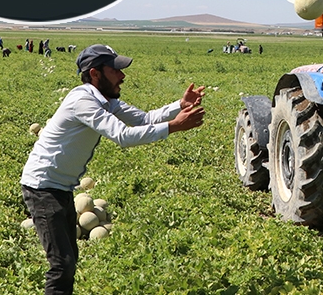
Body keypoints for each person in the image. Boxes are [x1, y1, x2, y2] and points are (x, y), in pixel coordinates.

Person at [20, 44, 206, 295]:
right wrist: (173, 127)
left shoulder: (105, 100)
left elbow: (144, 119)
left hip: (60, 186)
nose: (122, 76)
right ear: (95, 74)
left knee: (69, 258)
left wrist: (179, 105)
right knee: (62, 264)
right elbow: (123, 136)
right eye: (115, 70)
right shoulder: (83, 101)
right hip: (42, 187)